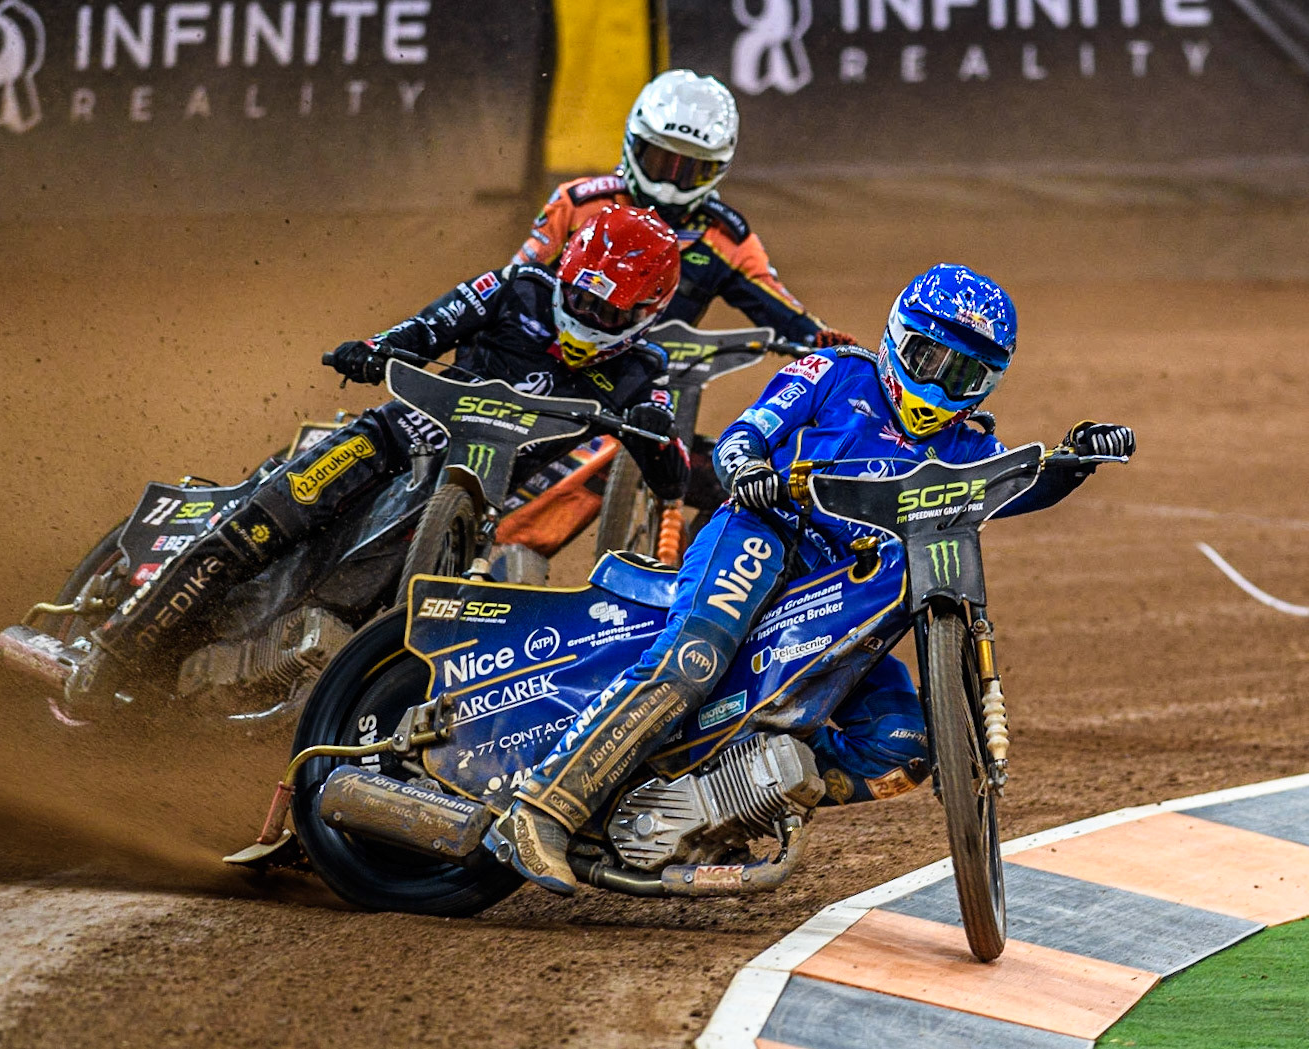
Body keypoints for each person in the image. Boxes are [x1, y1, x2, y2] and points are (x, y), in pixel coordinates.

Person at [482, 263, 1138, 894]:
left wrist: (1073, 459)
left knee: (903, 748)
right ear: (895, 336)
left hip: (853, 602)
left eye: (962, 372)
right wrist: (746, 471)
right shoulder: (834, 371)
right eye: (929, 359)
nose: (938, 386)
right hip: (767, 537)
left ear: (987, 381)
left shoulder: (967, 445)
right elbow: (749, 431)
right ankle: (540, 807)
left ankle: (730, 797)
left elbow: (1017, 484)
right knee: (691, 661)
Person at [63, 204, 692, 711]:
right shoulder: (514, 288)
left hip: (467, 505)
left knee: (415, 623)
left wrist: (656, 430)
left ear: (646, 314)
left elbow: (671, 477)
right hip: (388, 441)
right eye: (581, 298)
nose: (585, 317)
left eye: (607, 311)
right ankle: (111, 651)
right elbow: (424, 328)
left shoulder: (644, 371)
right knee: (256, 530)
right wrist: (374, 349)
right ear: (566, 271)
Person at [516, 68, 854, 518]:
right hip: (550, 381)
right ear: (634, 144)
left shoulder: (725, 237)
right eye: (660, 162)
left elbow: (779, 307)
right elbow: (512, 287)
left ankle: (701, 579)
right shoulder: (578, 204)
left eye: (690, 169)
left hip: (642, 397)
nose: (669, 184)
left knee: (745, 486)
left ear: (718, 170)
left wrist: (821, 341)